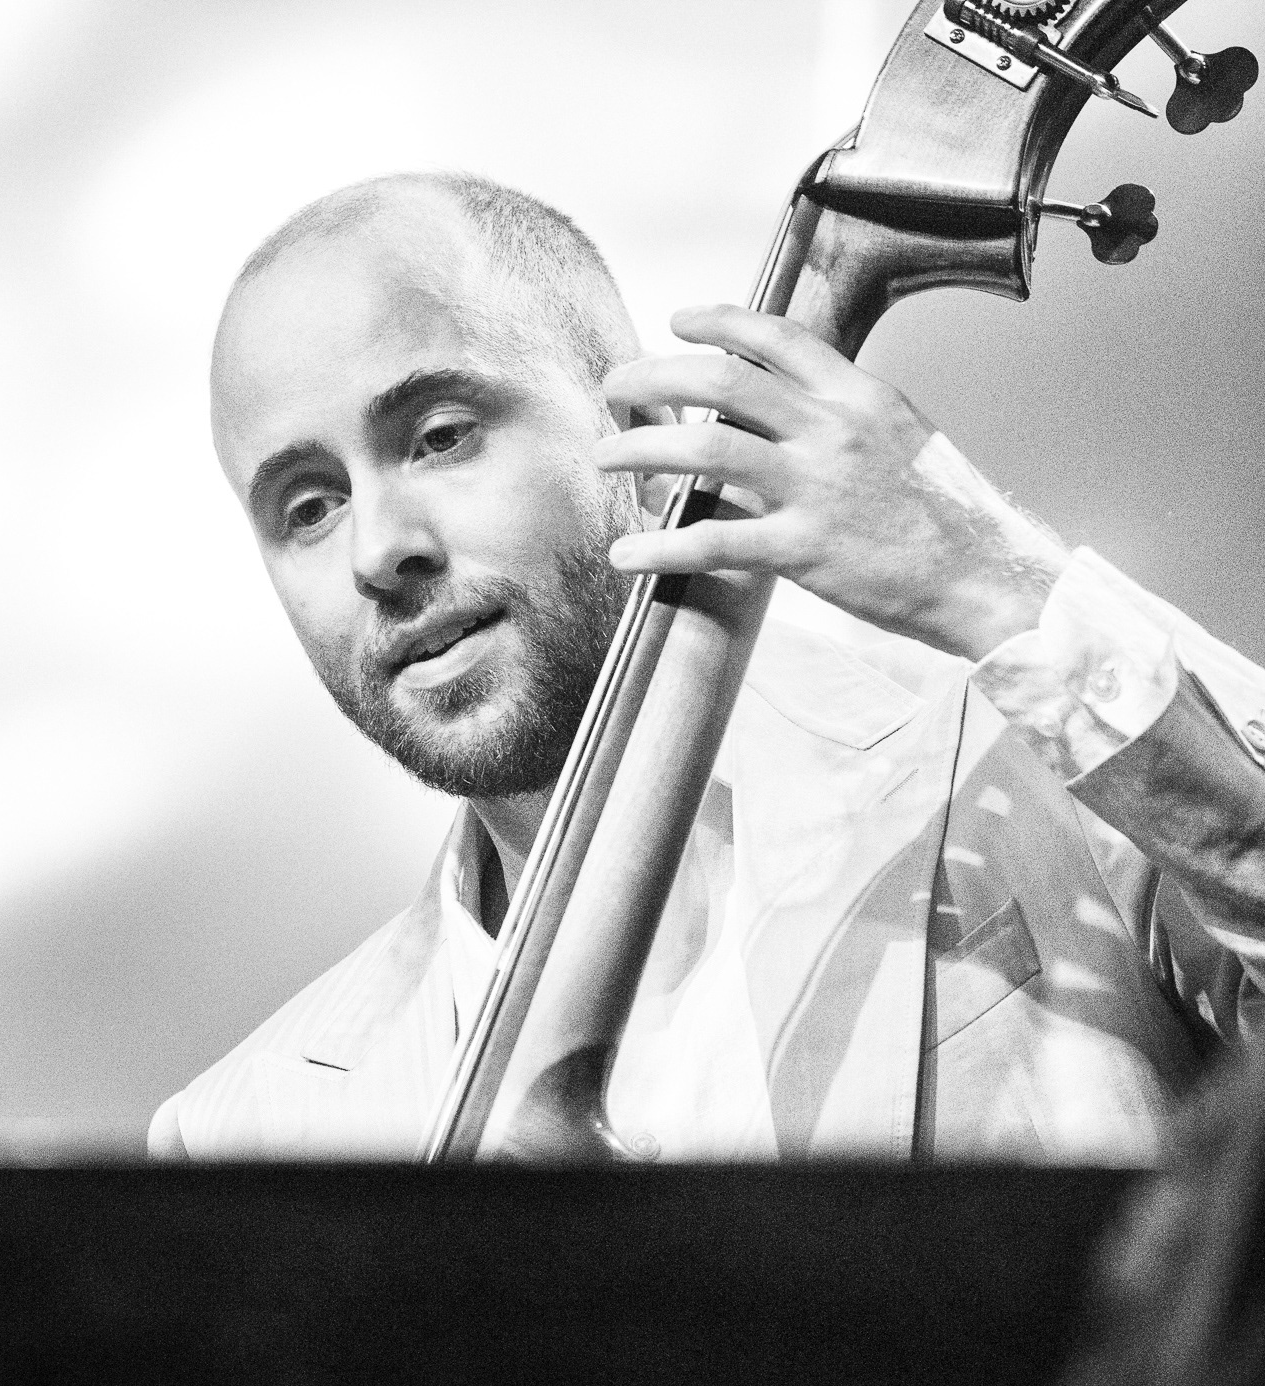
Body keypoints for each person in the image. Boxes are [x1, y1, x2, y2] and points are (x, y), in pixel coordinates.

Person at [149, 171, 1265, 1165]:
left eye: (440, 435)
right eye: (308, 505)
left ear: (644, 433)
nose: (377, 550)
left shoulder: (1048, 766)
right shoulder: (236, 1135)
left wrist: (990, 581)